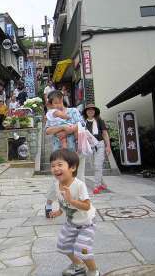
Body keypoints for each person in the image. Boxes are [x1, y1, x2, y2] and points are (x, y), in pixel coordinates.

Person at [48, 149, 99, 276]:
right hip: (72, 222)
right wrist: (59, 211)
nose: (55, 168)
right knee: (63, 245)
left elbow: (87, 206)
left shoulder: (79, 185)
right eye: (53, 166)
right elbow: (63, 202)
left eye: (60, 165)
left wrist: (71, 200)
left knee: (83, 249)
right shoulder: (57, 185)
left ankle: (93, 270)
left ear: (72, 167)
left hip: (87, 222)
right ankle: (78, 265)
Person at [45, 90, 84, 218]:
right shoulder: (51, 114)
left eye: (60, 101)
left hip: (76, 150)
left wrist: (67, 131)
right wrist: (62, 128)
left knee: (79, 178)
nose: (59, 104)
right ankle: (49, 203)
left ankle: (78, 206)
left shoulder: (73, 111)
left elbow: (82, 125)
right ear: (51, 104)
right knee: (58, 180)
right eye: (55, 103)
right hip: (60, 154)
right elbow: (48, 131)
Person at [83, 104, 111, 194]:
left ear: (95, 111)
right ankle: (102, 183)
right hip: (89, 147)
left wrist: (108, 146)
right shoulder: (83, 122)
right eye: (88, 110)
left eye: (92, 110)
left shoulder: (99, 120)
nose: (90, 111)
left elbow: (105, 134)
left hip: (100, 145)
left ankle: (96, 186)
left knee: (97, 165)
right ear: (86, 112)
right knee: (94, 166)